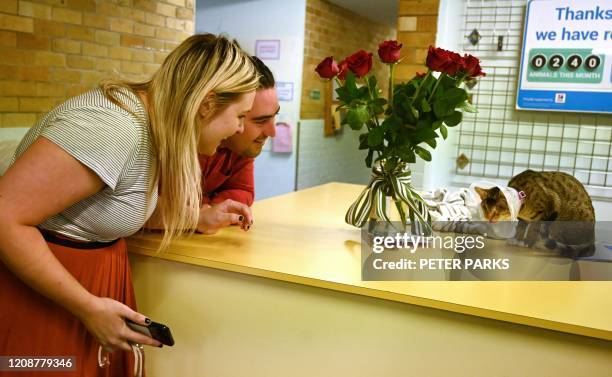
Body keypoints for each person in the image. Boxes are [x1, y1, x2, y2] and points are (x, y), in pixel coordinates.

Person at [0, 34, 257, 376]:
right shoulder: (112, 127)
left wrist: (196, 216)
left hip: (87, 289)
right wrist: (87, 306)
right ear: (207, 104)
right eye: (240, 115)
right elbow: (5, 216)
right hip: (40, 297)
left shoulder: (152, 125)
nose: (240, 128)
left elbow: (116, 201)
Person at [199, 56, 279, 207]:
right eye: (261, 120)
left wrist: (209, 208)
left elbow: (243, 191)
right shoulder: (177, 141)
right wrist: (202, 213)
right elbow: (152, 203)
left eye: (275, 116)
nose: (272, 132)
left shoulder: (240, 147)